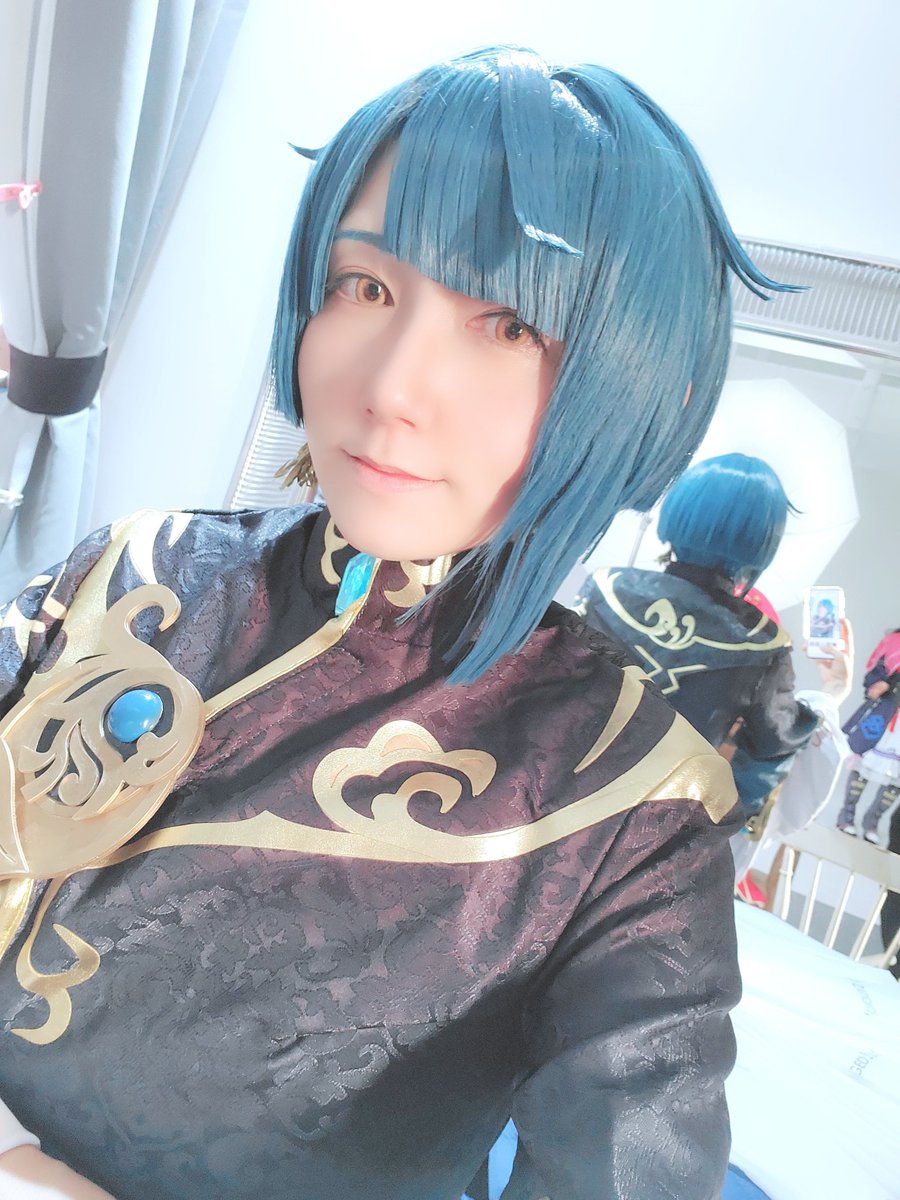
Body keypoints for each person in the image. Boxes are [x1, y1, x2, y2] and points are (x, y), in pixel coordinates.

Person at [0, 47, 793, 1200]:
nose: (391, 385)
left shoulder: (632, 813)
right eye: (364, 286)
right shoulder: (133, 565)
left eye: (509, 324)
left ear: (638, 384)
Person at [575, 453, 819, 821]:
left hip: (545, 791)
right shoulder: (762, 644)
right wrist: (721, 820)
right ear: (763, 541)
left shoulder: (605, 588)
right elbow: (773, 744)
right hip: (648, 824)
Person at [837, 627, 900, 842]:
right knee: (866, 762)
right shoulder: (894, 642)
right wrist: (879, 684)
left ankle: (873, 823)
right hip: (884, 714)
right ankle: (847, 816)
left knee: (895, 777)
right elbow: (876, 673)